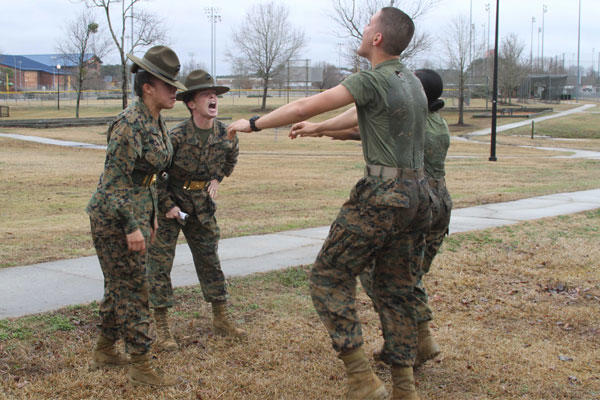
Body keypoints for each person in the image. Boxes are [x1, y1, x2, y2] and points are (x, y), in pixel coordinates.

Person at [228, 7, 429, 400]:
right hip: (418, 198)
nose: (365, 27)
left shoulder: (371, 78)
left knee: (328, 277)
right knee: (396, 288)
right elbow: (358, 115)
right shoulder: (412, 82)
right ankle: (404, 387)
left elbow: (306, 105)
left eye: (369, 23)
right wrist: (321, 130)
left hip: (382, 197)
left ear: (376, 39)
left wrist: (252, 124)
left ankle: (362, 380)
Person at [291, 69, 452, 370]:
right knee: (408, 275)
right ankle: (421, 339)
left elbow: (357, 130)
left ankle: (413, 340)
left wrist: (317, 128)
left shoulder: (408, 124)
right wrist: (323, 130)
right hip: (438, 202)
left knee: (386, 277)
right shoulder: (437, 122)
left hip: (413, 200)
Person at [86, 45, 185, 387]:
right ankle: (141, 366)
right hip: (113, 217)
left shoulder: (156, 120)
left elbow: (149, 176)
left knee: (119, 287)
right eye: (168, 85)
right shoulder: (129, 125)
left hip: (140, 210)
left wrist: (153, 216)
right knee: (134, 289)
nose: (175, 91)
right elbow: (114, 185)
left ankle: (104, 350)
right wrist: (131, 226)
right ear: (147, 87)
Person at [146, 69, 244, 352]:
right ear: (191, 103)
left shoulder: (226, 134)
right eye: (206, 94)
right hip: (171, 205)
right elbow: (155, 175)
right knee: (160, 265)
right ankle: (163, 329)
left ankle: (221, 318)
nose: (213, 97)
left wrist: (217, 178)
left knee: (210, 261)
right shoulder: (175, 137)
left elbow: (230, 159)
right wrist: (167, 206)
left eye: (215, 94)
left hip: (201, 206)